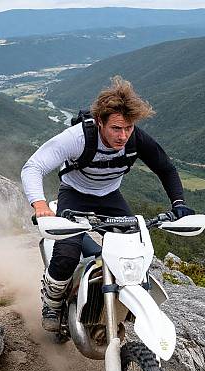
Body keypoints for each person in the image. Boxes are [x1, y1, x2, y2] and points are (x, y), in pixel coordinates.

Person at [21, 76, 194, 332]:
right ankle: (52, 302)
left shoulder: (137, 139)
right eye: (116, 128)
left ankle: (112, 303)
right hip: (75, 193)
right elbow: (33, 167)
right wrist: (40, 205)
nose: (123, 136)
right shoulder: (77, 138)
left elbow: (165, 168)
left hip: (110, 196)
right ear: (100, 121)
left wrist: (178, 203)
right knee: (67, 251)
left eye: (128, 128)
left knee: (134, 251)